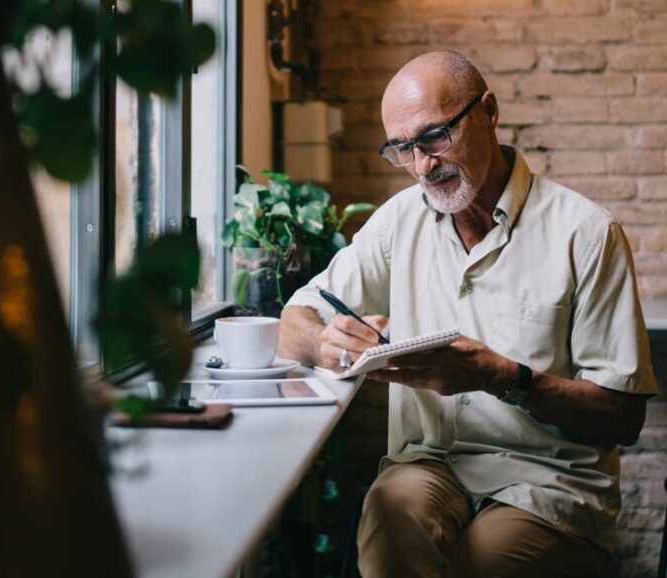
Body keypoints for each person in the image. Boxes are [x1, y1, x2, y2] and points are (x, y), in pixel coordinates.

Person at [279, 51, 657, 578]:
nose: (422, 166)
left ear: (489, 111)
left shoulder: (588, 234)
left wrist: (504, 378)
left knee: (473, 566)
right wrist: (324, 343)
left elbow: (624, 416)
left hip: (547, 482)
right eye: (403, 149)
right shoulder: (399, 223)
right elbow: (295, 318)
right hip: (429, 467)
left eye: (434, 137)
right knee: (390, 523)